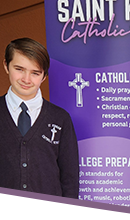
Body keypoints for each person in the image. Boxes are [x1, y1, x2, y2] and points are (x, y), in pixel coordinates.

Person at [0, 37, 81, 214]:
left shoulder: (60, 119)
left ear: (44, 76)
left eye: (35, 73)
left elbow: (69, 178)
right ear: (6, 66)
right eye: (19, 69)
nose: (26, 79)